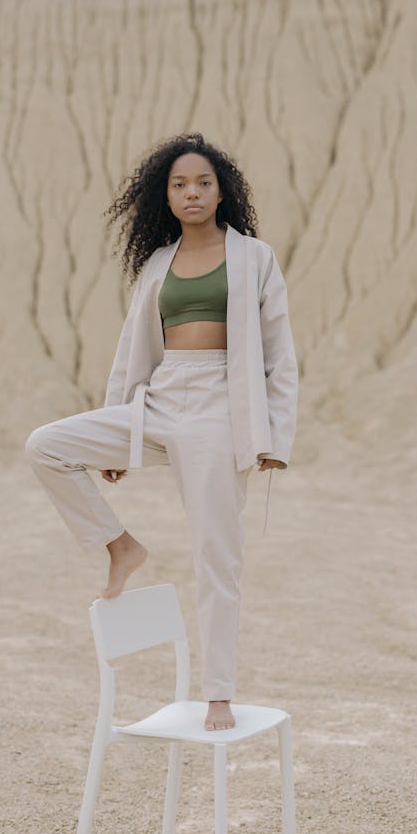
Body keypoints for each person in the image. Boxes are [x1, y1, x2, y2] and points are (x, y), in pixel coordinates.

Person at [25, 132, 297, 731]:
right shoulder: (156, 263)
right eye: (179, 184)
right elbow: (134, 350)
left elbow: (279, 352)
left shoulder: (255, 257)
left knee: (215, 553)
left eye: (202, 182)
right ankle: (120, 546)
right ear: (164, 196)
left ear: (222, 190)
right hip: (160, 399)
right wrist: (119, 428)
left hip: (220, 411)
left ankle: (218, 692)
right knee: (47, 445)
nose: (192, 192)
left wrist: (274, 437)